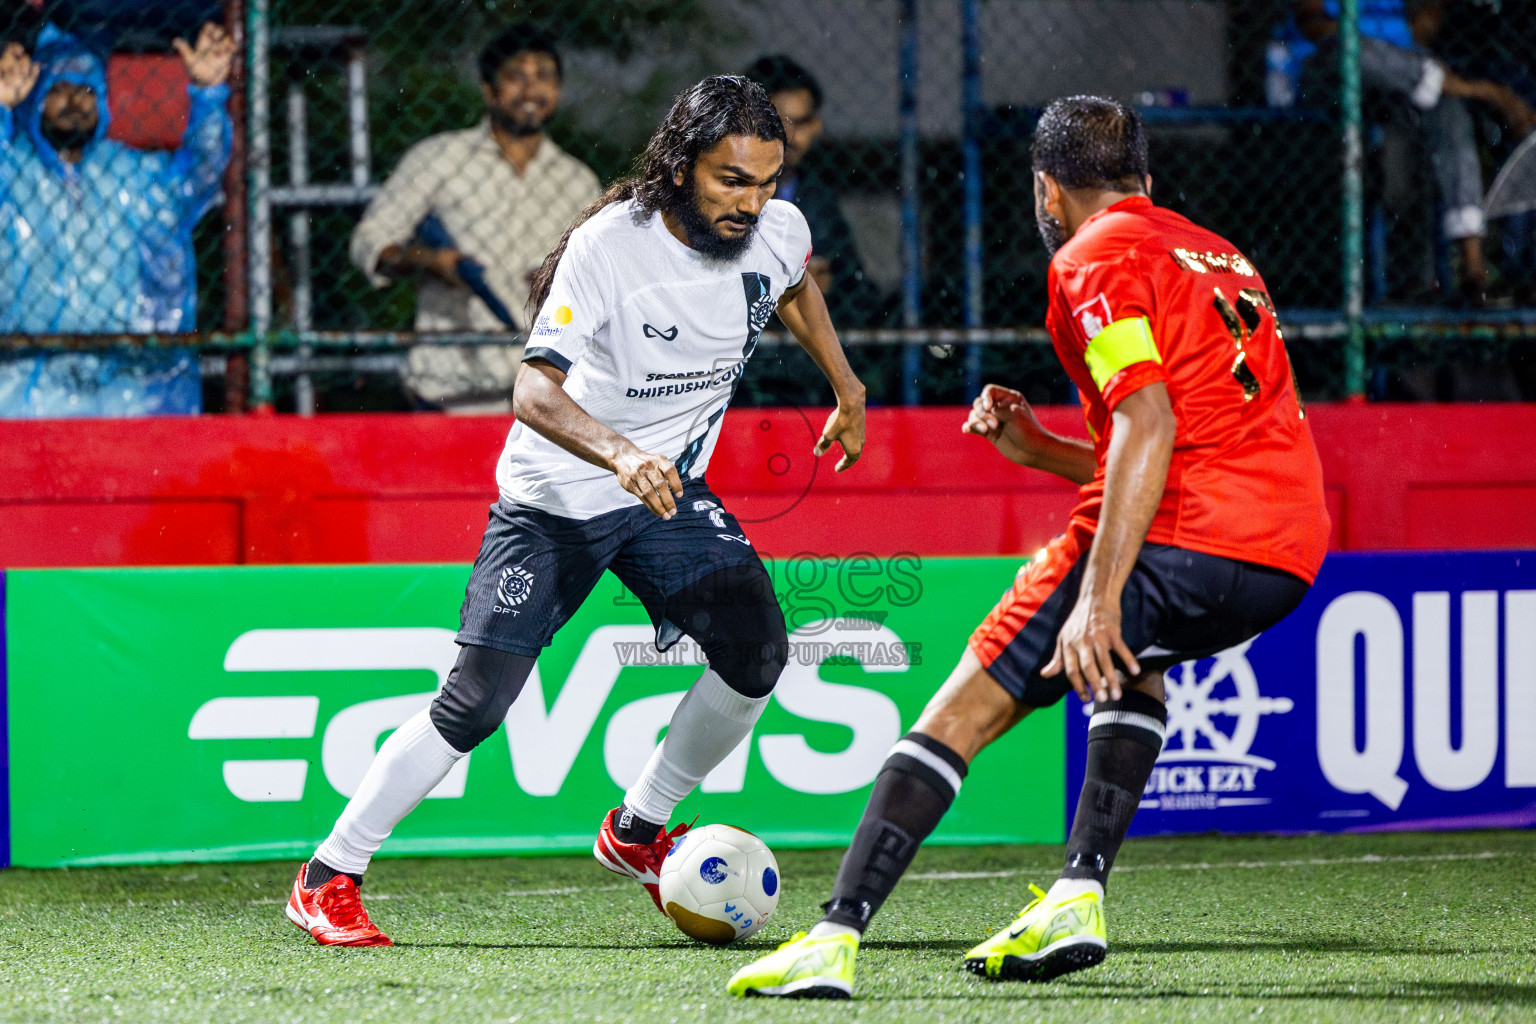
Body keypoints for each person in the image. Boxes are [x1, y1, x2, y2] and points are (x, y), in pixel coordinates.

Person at [728, 95, 1329, 999]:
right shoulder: (1217, 253)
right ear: (1145, 179)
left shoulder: (1092, 257)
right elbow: (1182, 438)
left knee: (959, 713)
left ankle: (832, 938)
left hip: (1187, 533)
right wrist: (1044, 452)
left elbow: (1148, 419)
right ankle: (1078, 894)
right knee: (1135, 662)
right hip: (1283, 554)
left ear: (1048, 192)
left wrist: (1099, 592)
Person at [286, 75, 867, 947]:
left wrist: (846, 384)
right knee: (476, 704)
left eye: (765, 181)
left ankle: (637, 831)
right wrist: (623, 453)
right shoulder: (610, 247)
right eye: (729, 181)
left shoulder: (777, 230)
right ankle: (328, 875)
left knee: (756, 655)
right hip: (557, 496)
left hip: (666, 492)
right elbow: (531, 391)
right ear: (679, 169)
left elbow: (791, 289)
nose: (752, 204)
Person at [350, 22, 600, 411]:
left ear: (559, 91)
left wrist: (560, 280)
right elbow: (370, 240)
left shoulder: (578, 181)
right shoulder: (438, 159)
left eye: (544, 77)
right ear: (488, 90)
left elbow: (602, 274)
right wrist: (429, 261)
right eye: (516, 77)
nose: (532, 90)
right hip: (449, 384)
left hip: (548, 389)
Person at [1293, 0, 1536, 303]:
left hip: (1405, 77)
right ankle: (1480, 90)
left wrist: (1394, 52)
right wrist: (1381, 47)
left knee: (1449, 112)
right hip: (1334, 68)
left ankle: (1474, 268)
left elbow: (1424, 26)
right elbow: (1315, 27)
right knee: (1351, 49)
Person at [0, 21, 233, 332]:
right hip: (25, 370)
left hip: (121, 369)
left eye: (86, 90)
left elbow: (200, 174)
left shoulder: (127, 173)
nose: (74, 102)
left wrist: (208, 94)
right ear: (36, 99)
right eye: (59, 89)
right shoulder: (13, 168)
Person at [744, 55, 883, 328]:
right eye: (778, 121)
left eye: (801, 122)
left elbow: (854, 290)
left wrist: (829, 289)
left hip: (800, 360)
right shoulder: (716, 192)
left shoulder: (817, 200)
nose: (790, 136)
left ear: (815, 126)